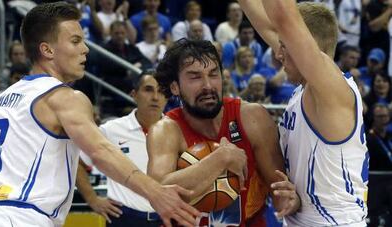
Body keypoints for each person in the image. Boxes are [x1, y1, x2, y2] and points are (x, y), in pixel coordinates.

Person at [0, 3, 199, 227]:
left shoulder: (3, 97)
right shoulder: (65, 97)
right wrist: (156, 192)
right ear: (47, 50)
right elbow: (99, 151)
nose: (85, 49)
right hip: (23, 216)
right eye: (75, 41)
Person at [239, 0, 368, 226]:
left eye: (283, 46)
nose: (278, 55)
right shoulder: (305, 81)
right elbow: (268, 23)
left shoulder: (330, 91)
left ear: (305, 45)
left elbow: (283, 15)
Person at [148, 39, 300, 227]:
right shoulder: (166, 130)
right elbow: (157, 192)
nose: (208, 86)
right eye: (195, 77)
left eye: (213, 74)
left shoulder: (252, 117)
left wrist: (293, 200)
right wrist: (221, 158)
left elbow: (281, 197)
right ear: (175, 87)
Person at [76, 71, 168, 226]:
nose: (155, 97)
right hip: (123, 217)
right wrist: (93, 198)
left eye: (161, 91)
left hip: (166, 218)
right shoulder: (111, 130)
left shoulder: (176, 131)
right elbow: (77, 162)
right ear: (134, 94)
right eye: (148, 89)